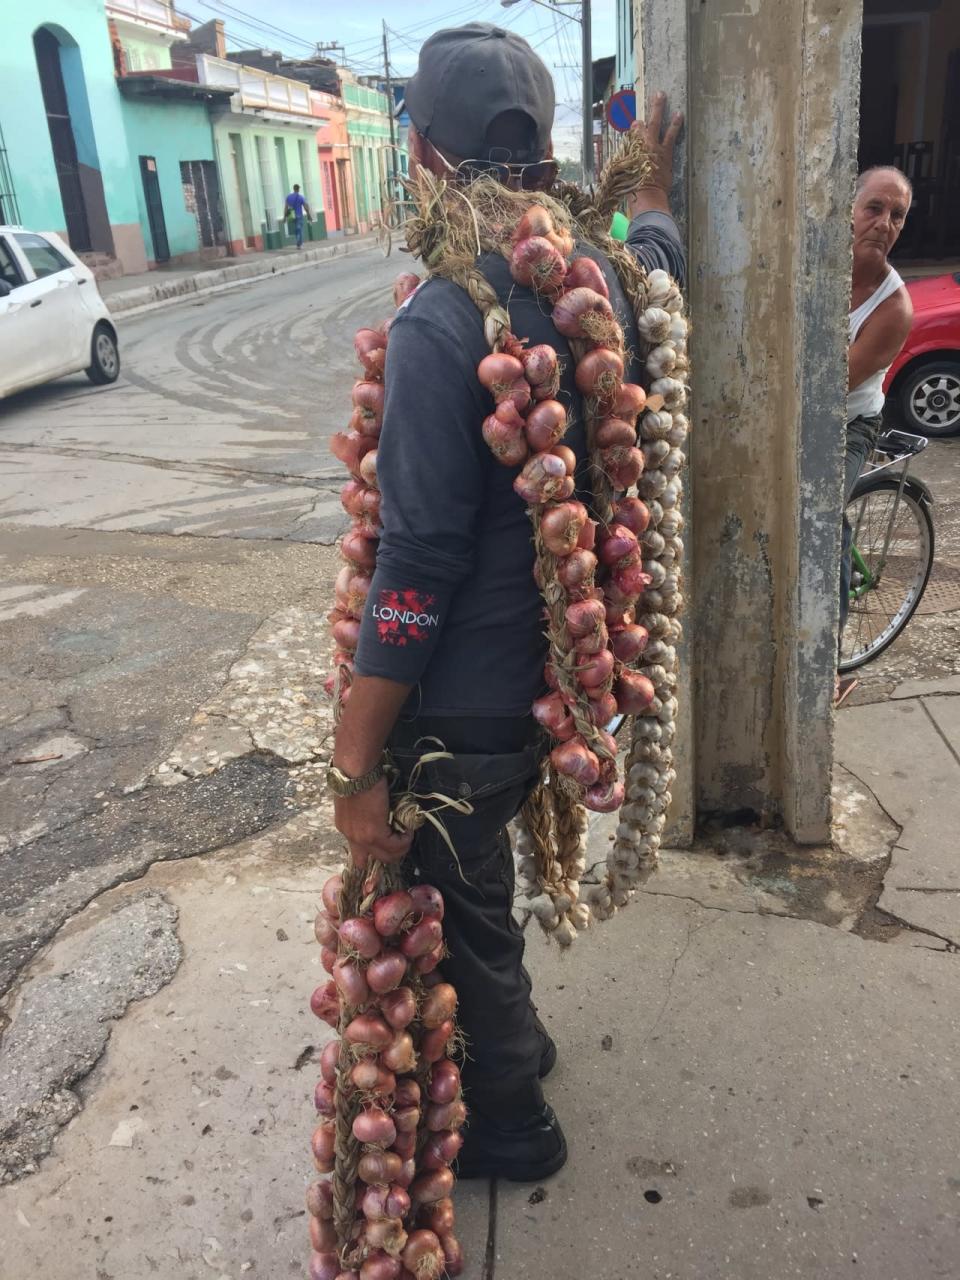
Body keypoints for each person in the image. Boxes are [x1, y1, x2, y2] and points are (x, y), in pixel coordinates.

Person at [327, 23, 686, 1181]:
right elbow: (662, 261)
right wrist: (654, 196)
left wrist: (354, 752)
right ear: (542, 164)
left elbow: (419, 561)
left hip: (469, 702)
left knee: (465, 898)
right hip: (553, 680)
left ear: (425, 156)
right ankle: (519, 1045)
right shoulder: (605, 286)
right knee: (481, 885)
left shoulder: (446, 321)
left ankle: (515, 1115)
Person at [838, 167, 914, 697]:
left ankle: (827, 665)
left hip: (848, 422)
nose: (884, 223)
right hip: (799, 408)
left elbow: (827, 387)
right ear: (849, 206)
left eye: (897, 215)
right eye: (874, 208)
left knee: (818, 525)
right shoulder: (818, 263)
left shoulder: (893, 307)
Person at [283, 183, 310, 248]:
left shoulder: (288, 197)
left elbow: (286, 207)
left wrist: (284, 217)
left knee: (296, 229)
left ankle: (298, 242)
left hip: (291, 216)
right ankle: (299, 243)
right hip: (299, 215)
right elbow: (305, 206)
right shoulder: (301, 197)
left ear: (293, 189)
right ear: (298, 189)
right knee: (299, 229)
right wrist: (308, 214)